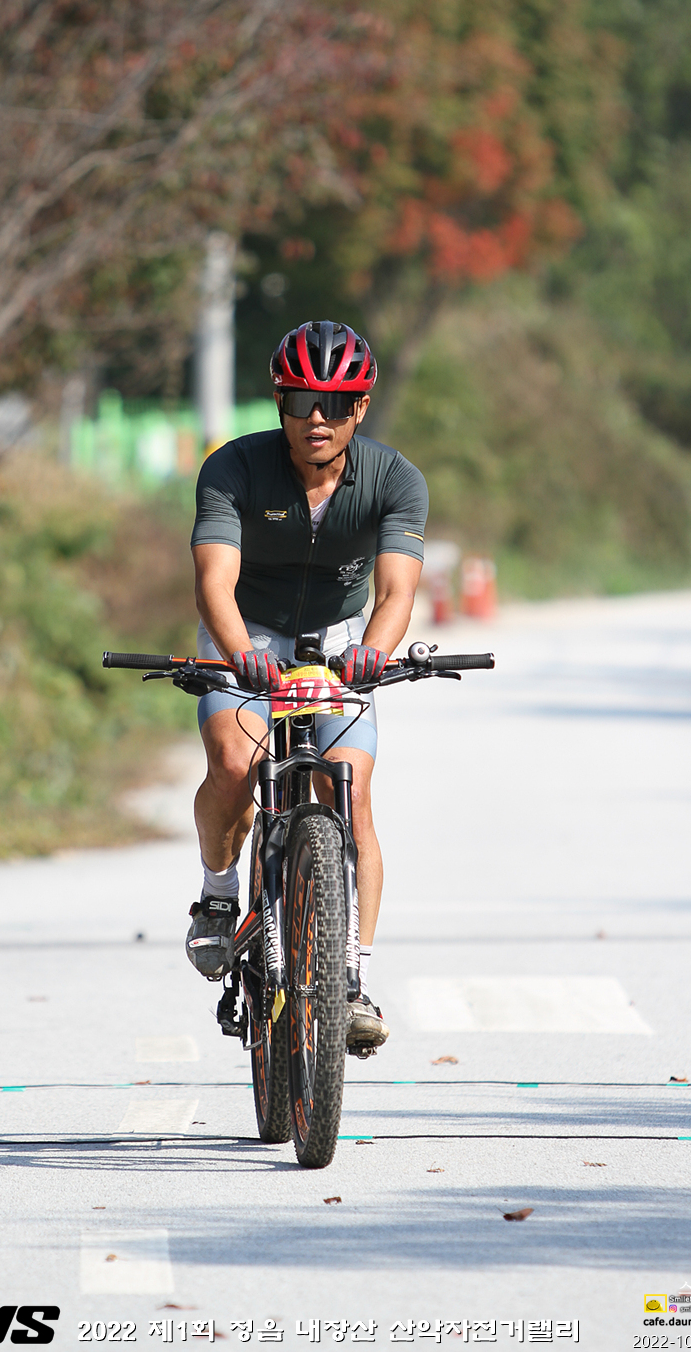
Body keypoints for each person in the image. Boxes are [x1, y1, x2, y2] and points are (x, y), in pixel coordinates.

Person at [186, 320, 428, 1052]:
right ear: (279, 402)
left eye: (336, 403)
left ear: (361, 407)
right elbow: (214, 582)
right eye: (300, 400)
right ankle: (219, 895)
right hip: (248, 630)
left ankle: (351, 979)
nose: (316, 418)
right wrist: (241, 654)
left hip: (342, 638)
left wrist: (374, 653)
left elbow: (396, 593)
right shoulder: (233, 468)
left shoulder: (395, 480)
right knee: (236, 762)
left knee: (349, 790)